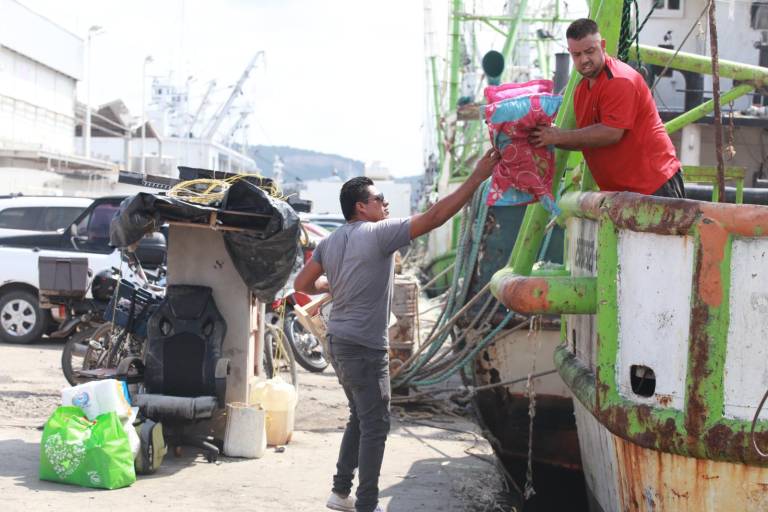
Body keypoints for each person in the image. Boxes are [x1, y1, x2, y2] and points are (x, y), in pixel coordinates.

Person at [293, 149, 500, 512]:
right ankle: (366, 505)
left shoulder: (330, 241)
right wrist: (478, 176)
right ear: (361, 207)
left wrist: (333, 284)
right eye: (379, 199)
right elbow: (436, 216)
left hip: (338, 342)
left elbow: (303, 283)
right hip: (363, 347)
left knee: (361, 415)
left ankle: (341, 493)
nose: (385, 204)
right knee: (376, 425)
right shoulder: (378, 233)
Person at [529, 18, 685, 198]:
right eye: (577, 55)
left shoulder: (620, 80)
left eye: (590, 51)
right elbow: (585, 138)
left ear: (602, 46)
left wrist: (557, 136)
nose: (584, 60)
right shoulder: (581, 89)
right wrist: (544, 136)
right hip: (623, 193)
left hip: (655, 185)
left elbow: (611, 132)